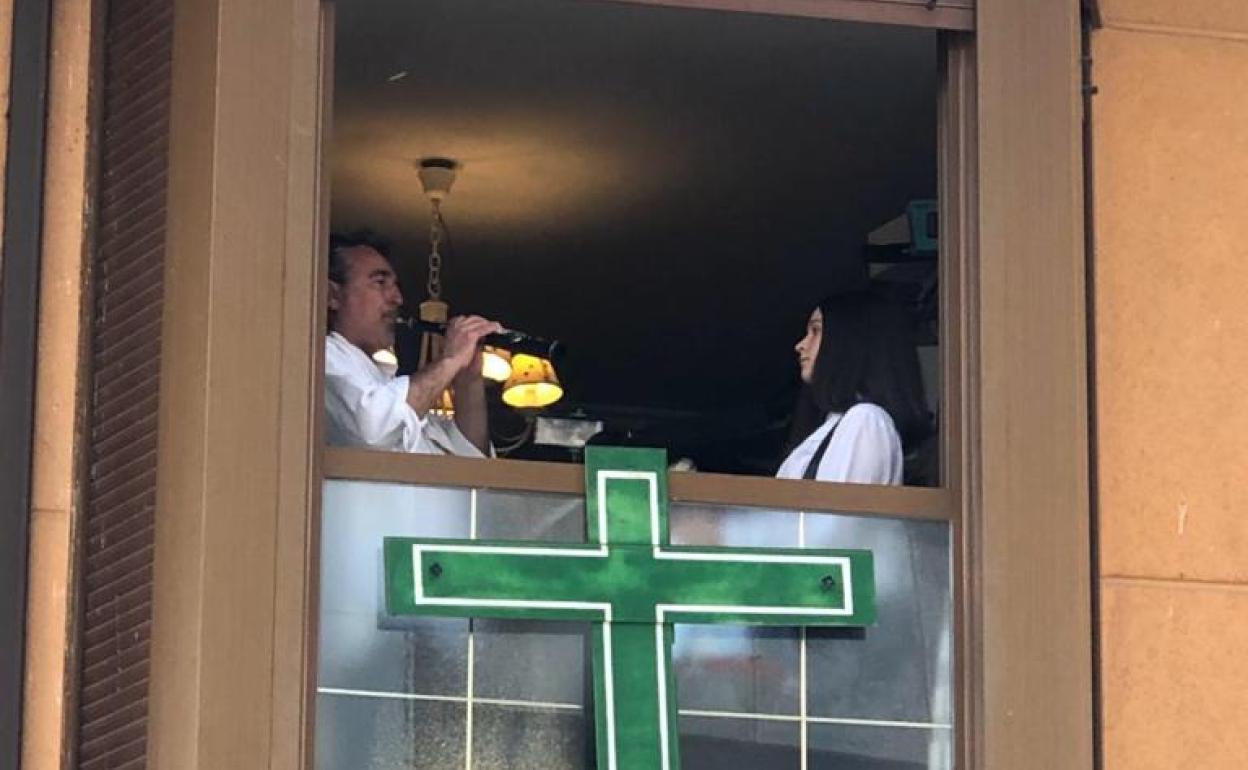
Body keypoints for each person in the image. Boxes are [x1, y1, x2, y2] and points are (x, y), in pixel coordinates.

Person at [324, 231, 501, 456]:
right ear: (333, 295)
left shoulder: (382, 380)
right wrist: (450, 360)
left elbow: (469, 458)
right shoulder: (320, 358)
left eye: (395, 285)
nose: (397, 298)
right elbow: (375, 429)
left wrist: (469, 377)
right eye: (380, 282)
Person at [776, 289, 931, 484]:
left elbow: (838, 503)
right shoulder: (835, 424)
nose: (800, 345)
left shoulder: (865, 420)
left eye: (816, 330)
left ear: (848, 342)